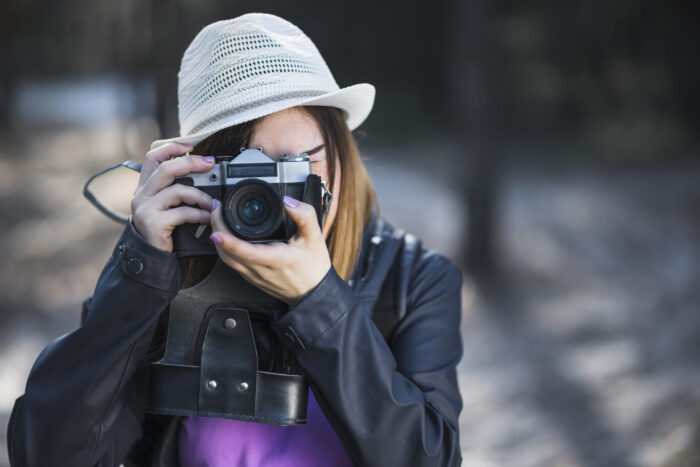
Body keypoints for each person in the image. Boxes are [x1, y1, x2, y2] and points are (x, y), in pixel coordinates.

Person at [7, 13, 464, 467]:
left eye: (299, 165)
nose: (268, 198)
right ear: (200, 174)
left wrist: (319, 300)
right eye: (248, 174)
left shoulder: (412, 282)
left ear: (342, 151)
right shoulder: (171, 273)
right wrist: (140, 271)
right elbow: (46, 454)